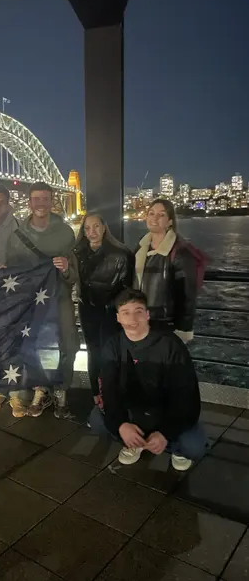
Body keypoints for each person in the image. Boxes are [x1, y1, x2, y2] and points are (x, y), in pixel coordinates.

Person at [88, 288, 206, 471]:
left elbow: (185, 394)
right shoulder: (113, 346)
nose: (133, 319)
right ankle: (134, 442)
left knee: (194, 446)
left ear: (147, 314)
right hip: (133, 412)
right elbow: (109, 390)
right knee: (97, 420)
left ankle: (175, 447)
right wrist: (121, 424)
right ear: (118, 318)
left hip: (165, 411)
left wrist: (166, 432)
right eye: (125, 313)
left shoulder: (170, 345)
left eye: (138, 311)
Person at [6, 182, 79, 419]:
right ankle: (41, 390)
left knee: (66, 344)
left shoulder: (66, 233)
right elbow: (12, 277)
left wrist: (66, 268)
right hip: (32, 304)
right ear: (29, 202)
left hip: (60, 299)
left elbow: (74, 276)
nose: (41, 203)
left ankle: (61, 391)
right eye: (36, 199)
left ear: (52, 201)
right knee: (35, 345)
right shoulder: (17, 237)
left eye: (45, 198)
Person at [74, 212, 134, 401]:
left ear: (104, 227)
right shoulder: (77, 253)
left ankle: (112, 394)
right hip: (87, 310)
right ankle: (97, 394)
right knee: (93, 352)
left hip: (110, 311)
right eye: (87, 228)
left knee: (110, 352)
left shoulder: (121, 254)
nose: (92, 231)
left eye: (96, 226)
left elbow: (127, 288)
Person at [134, 199, 198, 343]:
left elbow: (188, 296)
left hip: (165, 324)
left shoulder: (180, 251)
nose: (154, 218)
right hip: (141, 320)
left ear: (170, 221)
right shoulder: (141, 247)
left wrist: (183, 330)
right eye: (151, 213)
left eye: (161, 215)